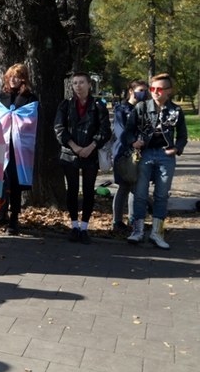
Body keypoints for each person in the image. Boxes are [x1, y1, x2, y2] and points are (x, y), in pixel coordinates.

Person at [124, 73, 188, 249]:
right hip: (145, 154)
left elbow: (183, 135)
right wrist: (133, 141)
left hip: (165, 156)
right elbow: (128, 132)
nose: (155, 92)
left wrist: (176, 148)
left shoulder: (176, 110)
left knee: (161, 195)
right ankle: (137, 231)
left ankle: (157, 233)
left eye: (159, 89)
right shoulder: (141, 107)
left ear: (169, 91)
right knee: (140, 194)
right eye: (152, 89)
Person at [54, 71, 111, 244]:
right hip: (70, 154)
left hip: (90, 154)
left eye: (81, 82)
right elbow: (59, 128)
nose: (78, 86)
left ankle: (85, 227)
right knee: (72, 190)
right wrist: (75, 146)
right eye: (75, 83)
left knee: (88, 191)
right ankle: (74, 226)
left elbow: (105, 130)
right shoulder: (65, 105)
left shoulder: (99, 106)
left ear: (89, 85)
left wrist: (91, 146)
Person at [0, 63, 39, 235]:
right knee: (1, 180)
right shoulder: (1, 97)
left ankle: (14, 218)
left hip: (20, 149)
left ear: (23, 78)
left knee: (15, 183)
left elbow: (31, 122)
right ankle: (0, 212)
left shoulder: (30, 98)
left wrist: (14, 119)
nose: (13, 79)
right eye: (10, 76)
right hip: (2, 146)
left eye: (17, 76)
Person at [110, 79, 148, 234]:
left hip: (140, 154)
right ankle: (117, 222)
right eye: (140, 90)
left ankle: (133, 220)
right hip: (123, 155)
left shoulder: (145, 109)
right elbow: (120, 132)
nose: (144, 93)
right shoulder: (122, 109)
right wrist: (133, 142)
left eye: (146, 90)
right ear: (131, 91)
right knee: (124, 187)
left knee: (136, 187)